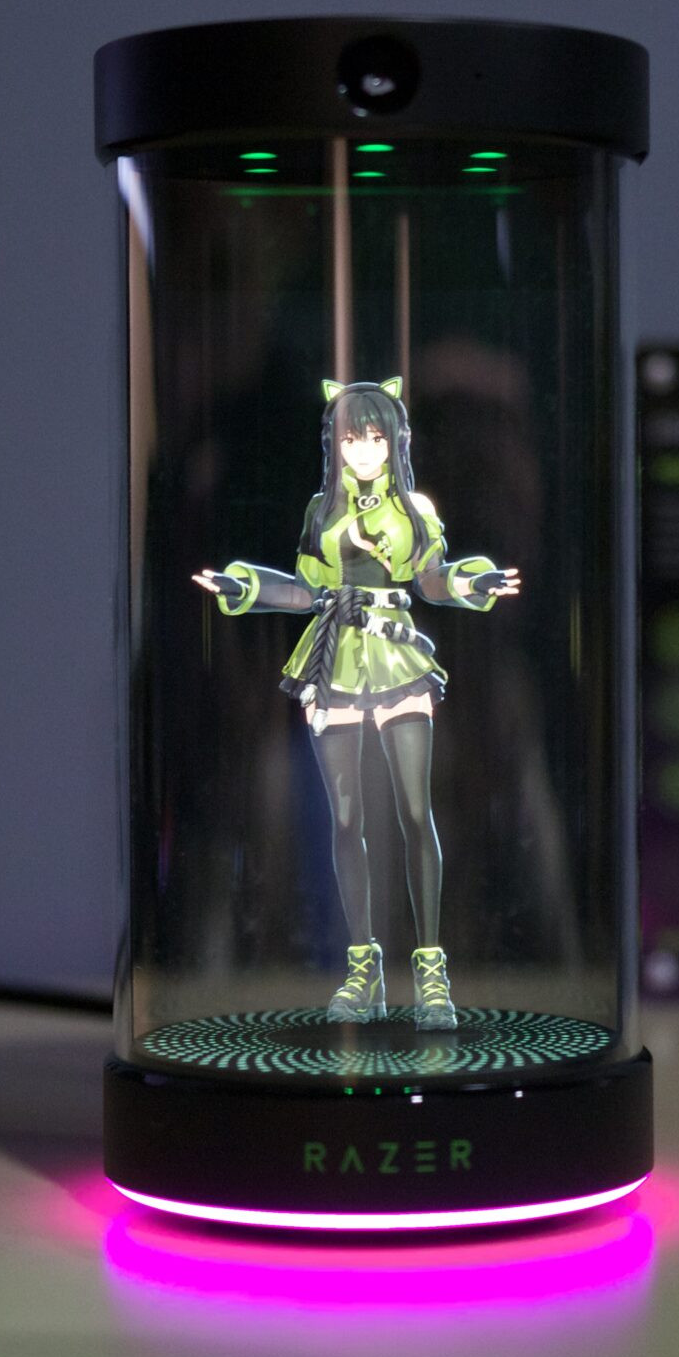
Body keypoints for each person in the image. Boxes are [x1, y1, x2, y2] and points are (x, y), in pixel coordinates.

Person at [193, 377, 520, 1030]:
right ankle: (363, 966)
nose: (364, 449)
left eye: (375, 437)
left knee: (414, 810)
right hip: (336, 659)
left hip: (396, 655)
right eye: (352, 438)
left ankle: (431, 971)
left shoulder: (414, 509)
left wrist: (471, 580)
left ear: (395, 441)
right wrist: (246, 587)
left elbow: (430, 579)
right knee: (346, 819)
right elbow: (304, 591)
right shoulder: (322, 511)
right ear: (335, 444)